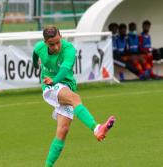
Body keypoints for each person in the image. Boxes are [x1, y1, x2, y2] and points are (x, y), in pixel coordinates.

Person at [32, 25, 116, 167]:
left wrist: (56, 80)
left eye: (58, 42)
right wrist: (36, 65)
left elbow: (64, 70)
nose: (56, 47)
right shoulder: (39, 47)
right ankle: (96, 128)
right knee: (75, 99)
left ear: (61, 36)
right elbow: (35, 54)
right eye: (52, 44)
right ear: (45, 42)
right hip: (50, 87)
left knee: (62, 132)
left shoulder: (69, 49)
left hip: (64, 84)